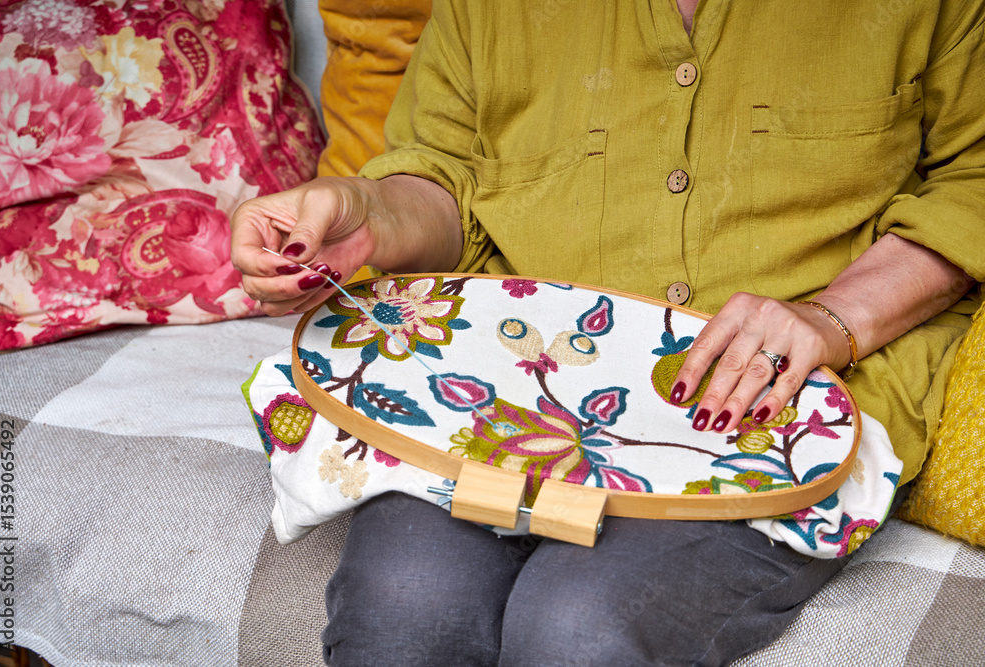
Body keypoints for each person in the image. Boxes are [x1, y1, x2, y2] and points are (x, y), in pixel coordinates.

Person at [231, 1, 985, 664]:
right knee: (405, 606)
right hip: (511, 390)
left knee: (577, 629)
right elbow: (445, 174)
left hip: (778, 416)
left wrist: (831, 317)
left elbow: (973, 176)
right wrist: (366, 215)